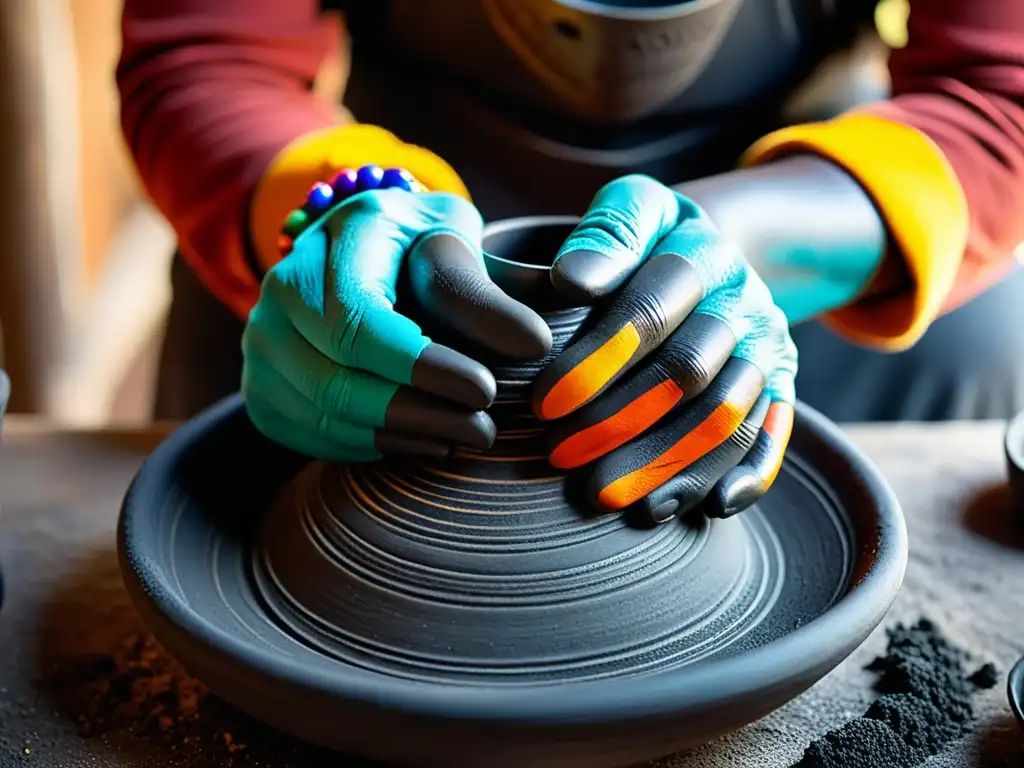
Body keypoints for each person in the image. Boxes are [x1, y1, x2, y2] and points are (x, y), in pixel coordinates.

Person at [116, 0, 1024, 523]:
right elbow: (206, 53)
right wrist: (342, 200)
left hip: (799, 213)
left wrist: (744, 241)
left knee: (979, 333)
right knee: (264, 317)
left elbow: (998, 89)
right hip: (400, 235)